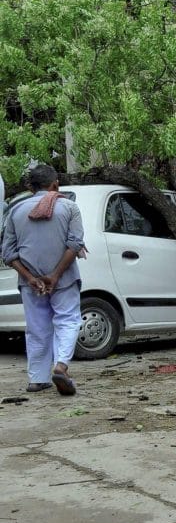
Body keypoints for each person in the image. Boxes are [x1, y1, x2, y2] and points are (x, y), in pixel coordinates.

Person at [0, 165, 85, 395]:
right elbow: (75, 244)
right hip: (63, 279)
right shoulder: (68, 206)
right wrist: (55, 276)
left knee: (37, 328)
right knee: (67, 321)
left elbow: (8, 253)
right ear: (55, 184)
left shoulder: (16, 211)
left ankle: (37, 379)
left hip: (30, 284)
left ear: (30, 187)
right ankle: (61, 366)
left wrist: (30, 278)